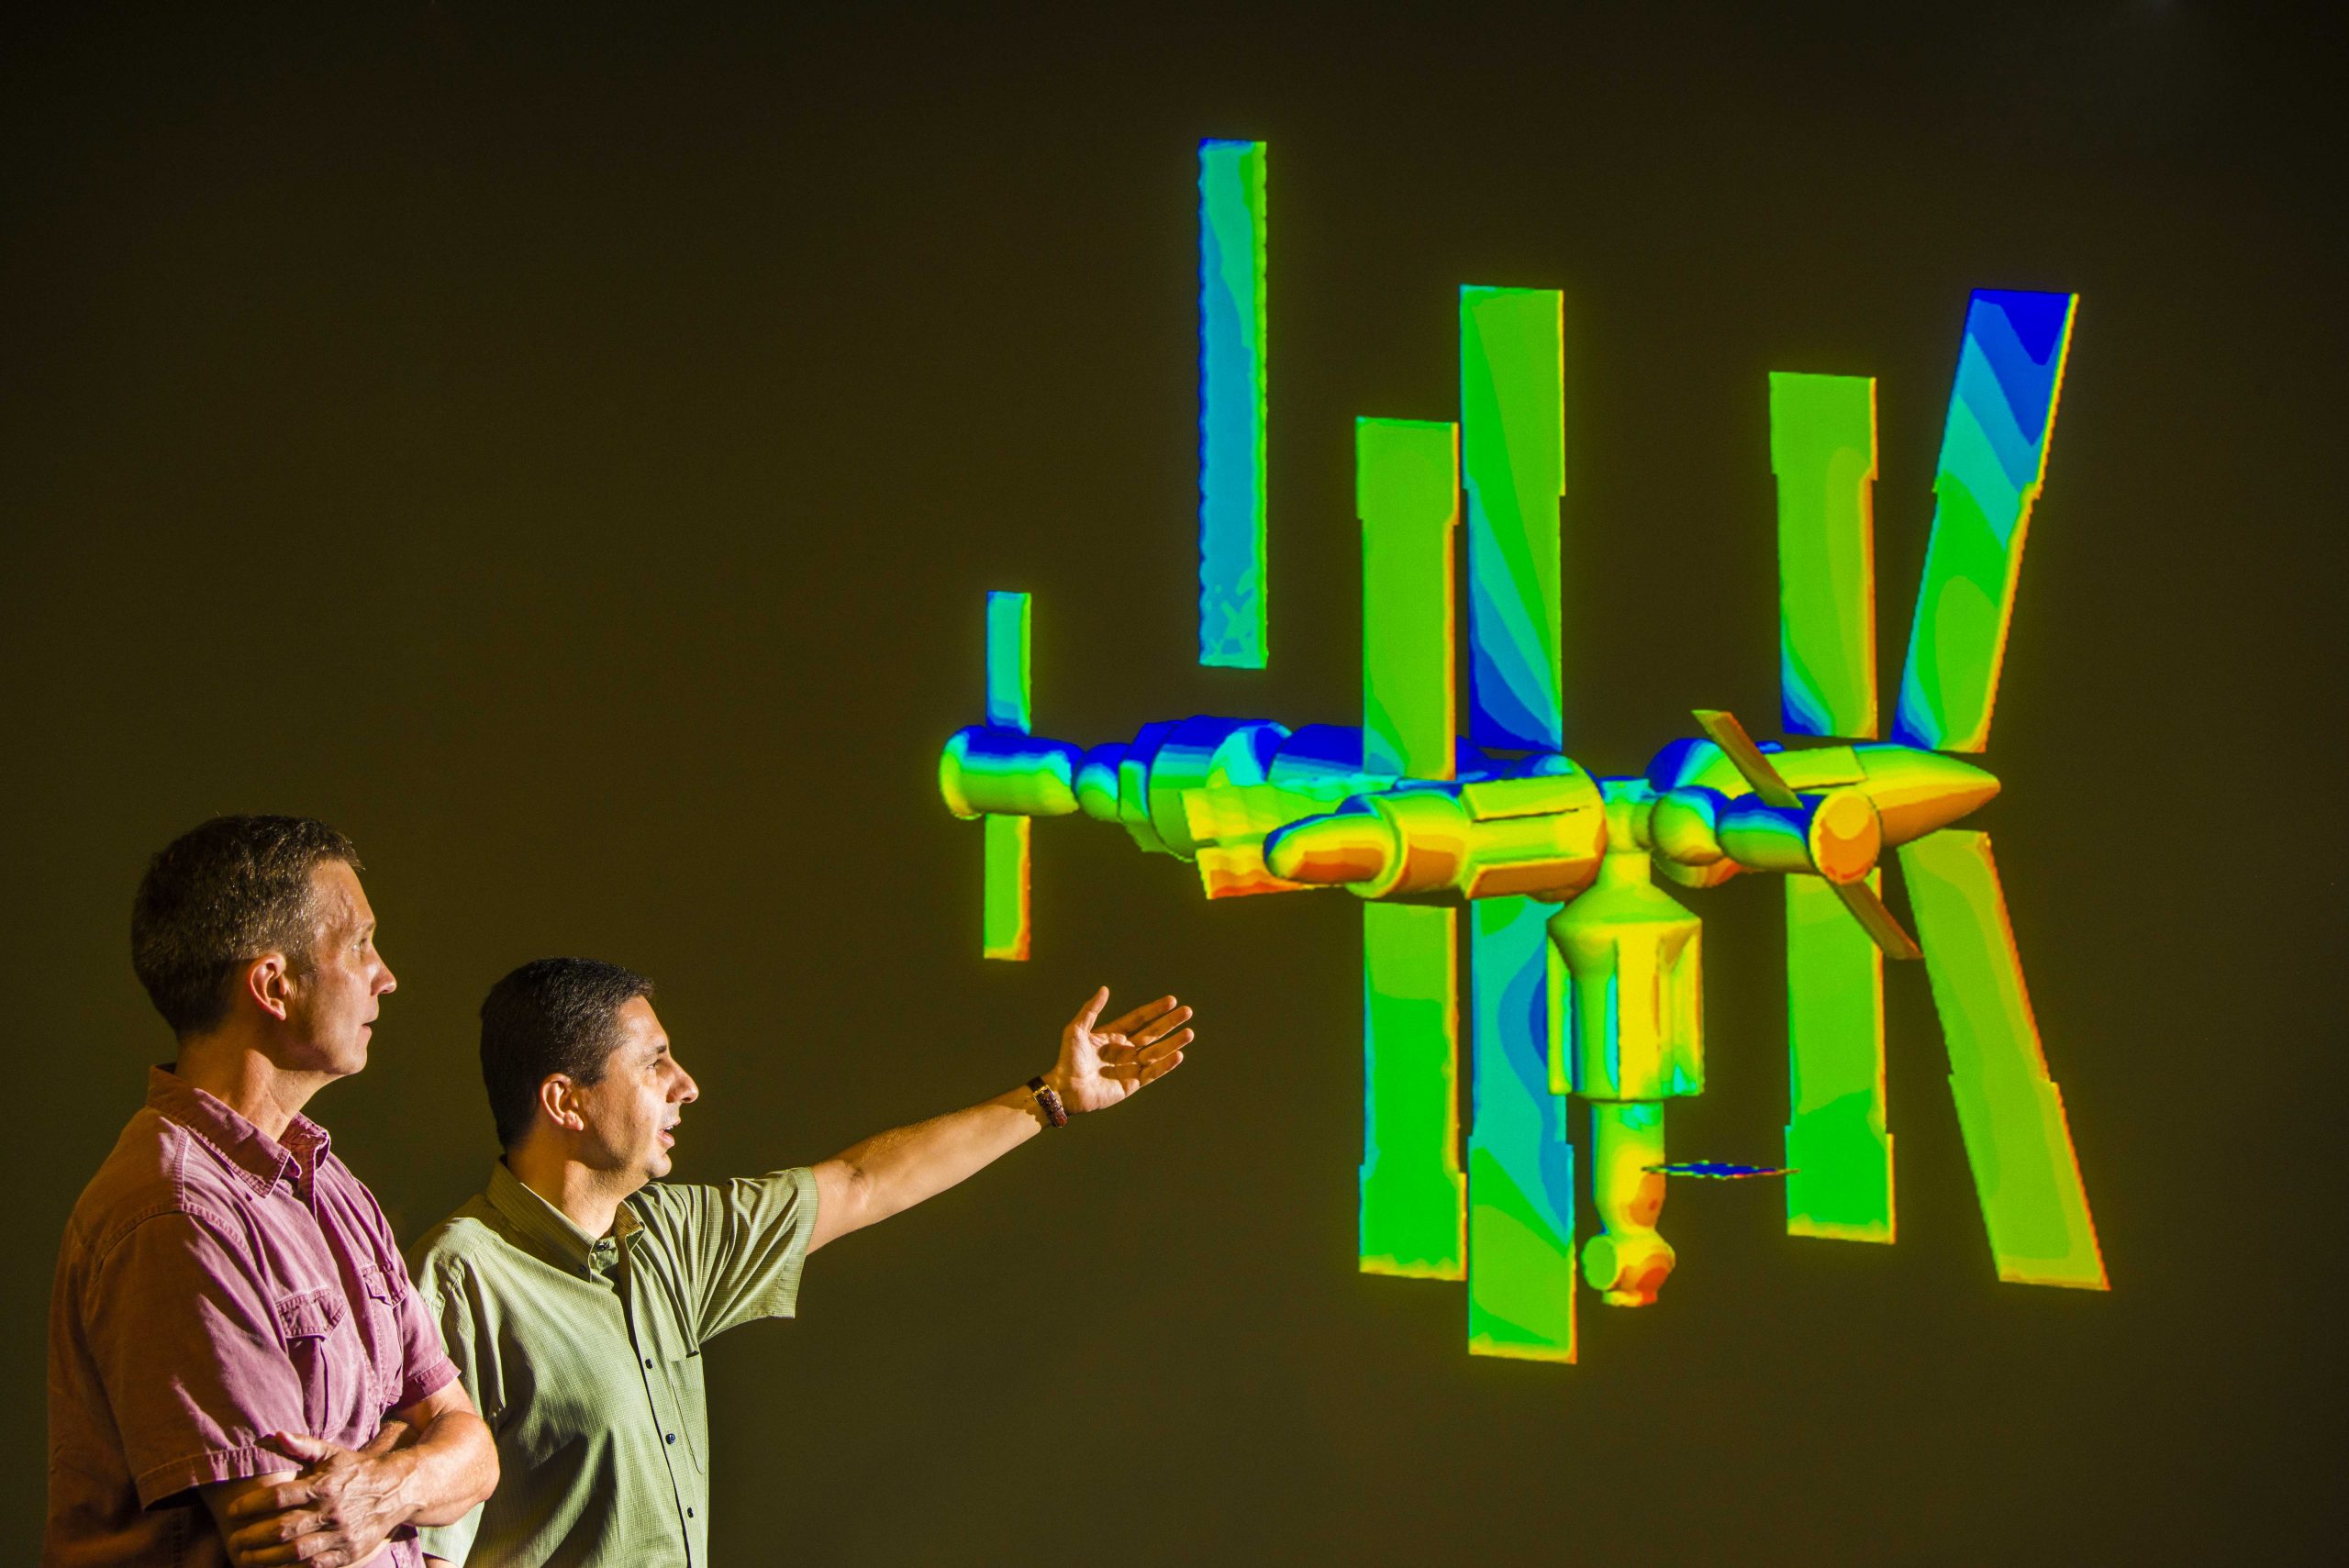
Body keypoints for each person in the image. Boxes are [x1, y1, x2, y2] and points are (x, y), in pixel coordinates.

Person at [406, 957, 1193, 1567]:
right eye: (654, 1063)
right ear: (565, 1101)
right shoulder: (461, 1276)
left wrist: (1051, 1095)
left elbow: (860, 1183)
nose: (687, 1085)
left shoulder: (667, 1236)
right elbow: (421, 1547)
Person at [45, 815, 499, 1568]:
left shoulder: (332, 1187)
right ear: (274, 984)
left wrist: (385, 1484)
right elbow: (295, 1547)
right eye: (359, 943)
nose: (386, 974)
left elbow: (475, 1447)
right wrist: (415, 1465)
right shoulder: (177, 1212)